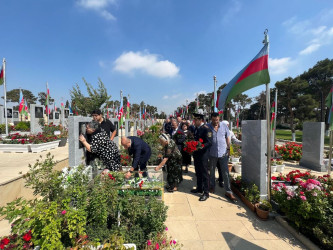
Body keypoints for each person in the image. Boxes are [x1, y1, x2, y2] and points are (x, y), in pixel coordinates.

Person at [207, 113, 236, 201]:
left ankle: (228, 191)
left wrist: (228, 148)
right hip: (212, 154)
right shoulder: (208, 126)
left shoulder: (224, 126)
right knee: (212, 172)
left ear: (219, 118)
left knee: (226, 173)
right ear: (211, 119)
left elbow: (227, 137)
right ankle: (212, 186)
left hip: (223, 153)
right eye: (213, 120)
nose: (215, 122)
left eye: (217, 120)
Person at [190, 109, 212, 201]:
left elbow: (209, 142)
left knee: (204, 174)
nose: (194, 121)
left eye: (196, 120)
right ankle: (199, 188)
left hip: (203, 155)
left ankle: (206, 193)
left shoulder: (207, 129)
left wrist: (200, 146)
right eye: (194, 120)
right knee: (198, 172)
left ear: (201, 120)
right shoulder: (196, 128)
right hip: (196, 154)